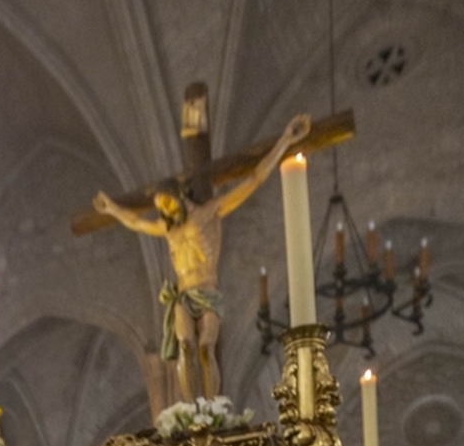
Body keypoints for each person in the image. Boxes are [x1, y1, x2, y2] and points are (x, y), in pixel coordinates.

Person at [93, 115, 310, 400]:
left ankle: (211, 407)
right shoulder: (169, 230)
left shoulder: (209, 213)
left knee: (206, 347)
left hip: (207, 290)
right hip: (183, 295)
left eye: (167, 202)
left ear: (179, 195)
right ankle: (192, 408)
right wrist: (112, 208)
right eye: (161, 208)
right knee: (185, 346)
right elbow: (137, 223)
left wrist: (284, 141)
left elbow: (253, 180)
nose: (165, 211)